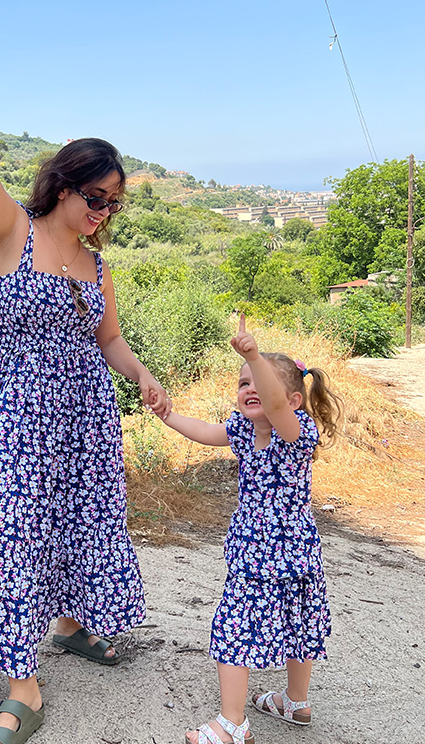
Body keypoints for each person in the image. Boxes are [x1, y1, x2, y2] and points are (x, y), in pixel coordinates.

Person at [0, 6, 171, 744]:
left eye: (114, 204)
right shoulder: (10, 229)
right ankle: (25, 687)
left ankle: (74, 625)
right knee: (3, 530)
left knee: (84, 524)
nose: (104, 213)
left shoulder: (98, 264)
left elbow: (109, 339)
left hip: (84, 413)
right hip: (19, 409)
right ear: (65, 182)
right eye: (96, 197)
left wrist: (141, 373)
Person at [155, 315, 342, 744]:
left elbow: (274, 408)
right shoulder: (242, 429)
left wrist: (254, 355)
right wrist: (168, 415)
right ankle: (295, 703)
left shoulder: (295, 432)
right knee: (299, 624)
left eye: (261, 382)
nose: (251, 389)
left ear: (295, 399)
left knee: (232, 629)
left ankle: (232, 724)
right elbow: (205, 432)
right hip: (291, 553)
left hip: (267, 555)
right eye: (243, 384)